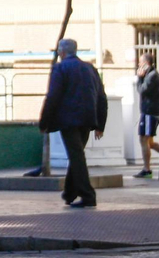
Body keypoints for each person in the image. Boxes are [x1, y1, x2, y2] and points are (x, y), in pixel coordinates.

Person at [37, 38, 107, 207]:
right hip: (88, 119)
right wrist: (100, 124)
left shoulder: (61, 69)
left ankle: (88, 196)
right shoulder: (90, 68)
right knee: (76, 156)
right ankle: (69, 193)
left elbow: (52, 97)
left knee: (76, 156)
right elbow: (101, 96)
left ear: (61, 52)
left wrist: (44, 122)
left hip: (68, 120)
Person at [135, 51, 159, 179]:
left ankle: (147, 170)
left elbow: (142, 90)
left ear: (146, 63)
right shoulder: (151, 74)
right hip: (149, 111)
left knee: (143, 139)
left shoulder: (151, 76)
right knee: (149, 142)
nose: (138, 65)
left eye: (140, 62)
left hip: (150, 112)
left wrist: (139, 78)